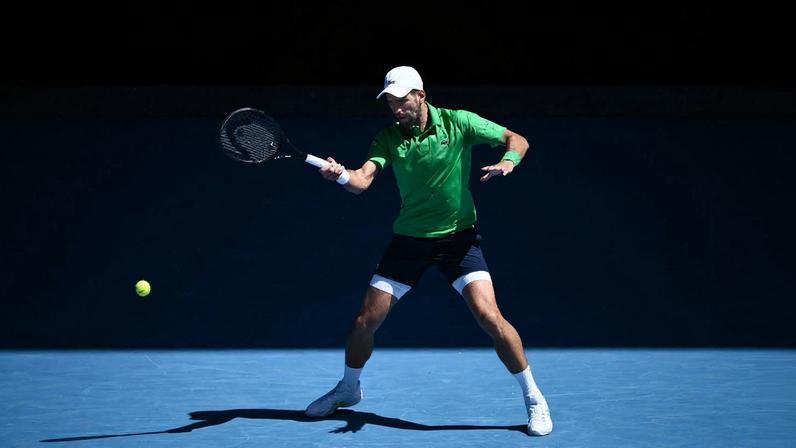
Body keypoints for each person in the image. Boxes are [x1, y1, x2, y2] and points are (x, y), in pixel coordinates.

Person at [306, 66, 552, 436]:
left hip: (459, 240)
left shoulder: (459, 122)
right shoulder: (388, 138)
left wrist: (507, 161)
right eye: (389, 102)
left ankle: (534, 399)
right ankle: (349, 388)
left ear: (420, 95)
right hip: (410, 242)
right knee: (363, 322)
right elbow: (362, 181)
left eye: (401, 101)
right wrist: (340, 174)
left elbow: (516, 139)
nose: (395, 109)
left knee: (489, 316)